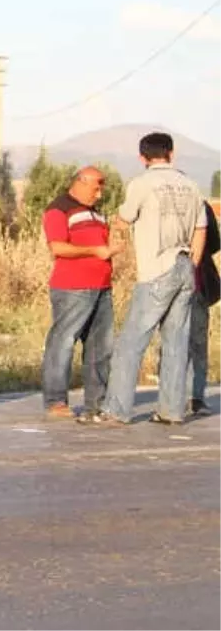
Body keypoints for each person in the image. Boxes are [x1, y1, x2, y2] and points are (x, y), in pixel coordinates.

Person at [99, 132, 207, 426]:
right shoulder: (190, 185)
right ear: (171, 154)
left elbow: (124, 218)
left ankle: (116, 410)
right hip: (185, 265)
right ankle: (171, 411)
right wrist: (192, 264)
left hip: (156, 268)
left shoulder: (142, 184)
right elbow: (200, 229)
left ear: (142, 157)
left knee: (131, 342)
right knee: (175, 343)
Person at [39, 166, 122, 420]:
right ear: (80, 181)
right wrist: (95, 251)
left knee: (101, 347)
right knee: (62, 342)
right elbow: (58, 247)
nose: (99, 194)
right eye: (96, 187)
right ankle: (55, 400)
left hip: (102, 287)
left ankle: (96, 403)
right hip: (73, 287)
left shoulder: (95, 213)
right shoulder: (59, 209)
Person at [187, 199, 220, 416]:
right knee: (198, 344)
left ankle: (173, 396)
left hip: (163, 280)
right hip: (197, 284)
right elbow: (216, 243)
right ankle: (196, 397)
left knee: (175, 343)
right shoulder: (200, 204)